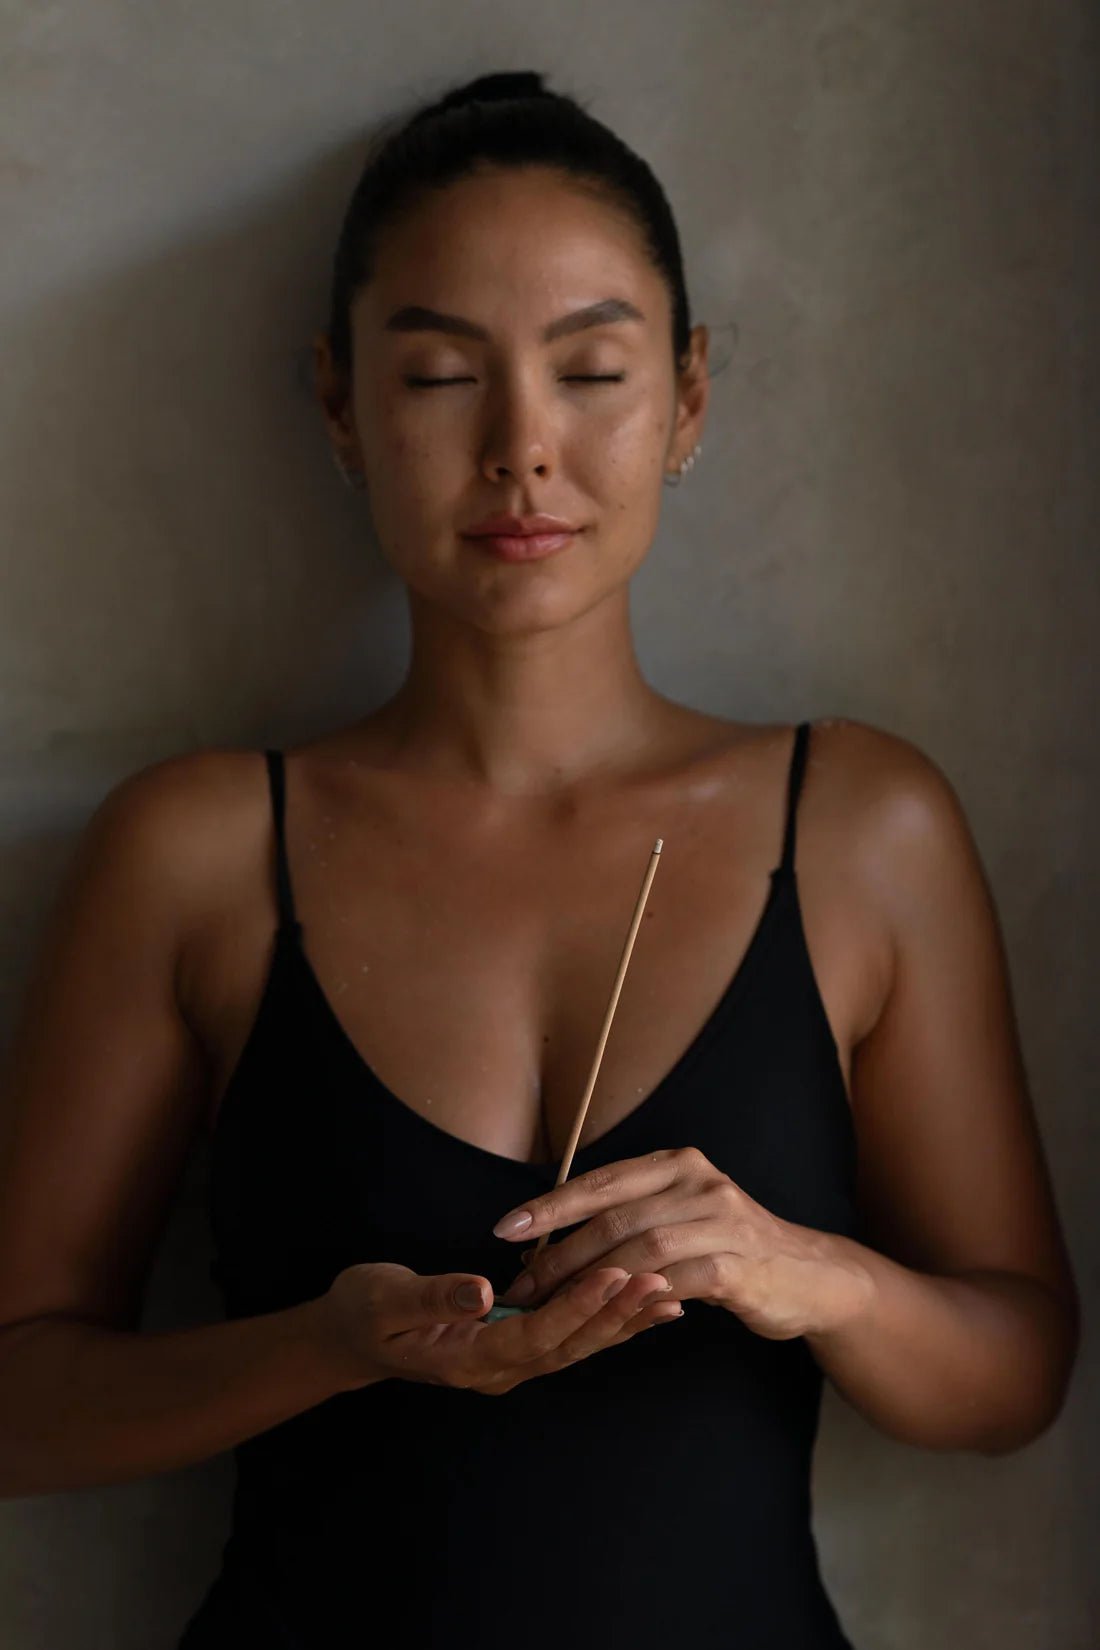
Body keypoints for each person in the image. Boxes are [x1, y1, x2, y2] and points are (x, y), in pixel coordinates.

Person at [0, 69, 1079, 1650]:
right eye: (441, 376)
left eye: (591, 372)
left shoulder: (859, 825)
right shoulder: (198, 851)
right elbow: (20, 1403)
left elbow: (1015, 1378)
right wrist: (338, 1342)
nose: (522, 449)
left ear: (690, 399)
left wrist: (805, 1272)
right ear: (338, 407)